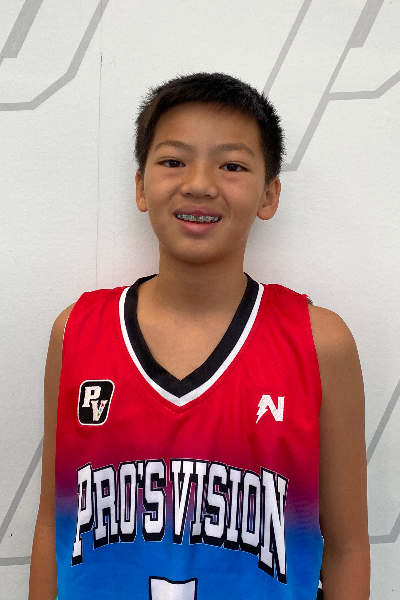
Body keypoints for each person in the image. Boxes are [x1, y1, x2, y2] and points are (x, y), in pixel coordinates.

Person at [29, 72, 370, 600]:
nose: (199, 183)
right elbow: (55, 522)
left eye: (232, 165)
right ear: (140, 187)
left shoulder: (320, 342)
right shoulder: (76, 330)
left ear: (269, 194)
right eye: (173, 161)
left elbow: (346, 547)